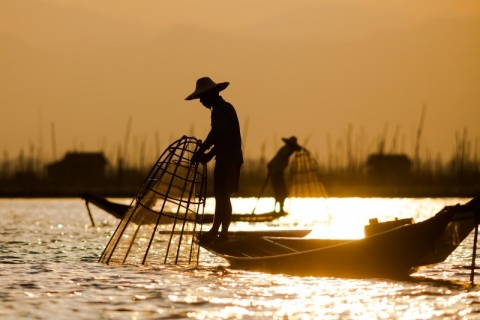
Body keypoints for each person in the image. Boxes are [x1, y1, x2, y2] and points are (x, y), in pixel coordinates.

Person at [186, 76, 243, 243]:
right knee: (220, 195)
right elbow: (221, 139)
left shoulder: (221, 109)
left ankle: (222, 233)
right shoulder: (219, 109)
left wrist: (201, 151)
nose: (201, 101)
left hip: (230, 159)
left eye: (202, 97)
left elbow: (216, 134)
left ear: (212, 94)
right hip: (224, 157)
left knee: (223, 196)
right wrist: (209, 155)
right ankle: (216, 231)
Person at [267, 136, 302, 213]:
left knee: (280, 191)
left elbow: (271, 162)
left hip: (277, 172)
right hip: (277, 173)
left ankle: (279, 209)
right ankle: (279, 209)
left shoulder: (285, 148)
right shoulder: (286, 149)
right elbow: (286, 154)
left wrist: (270, 165)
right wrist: (294, 149)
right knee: (281, 191)